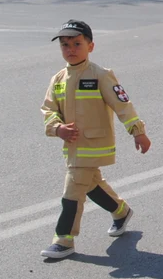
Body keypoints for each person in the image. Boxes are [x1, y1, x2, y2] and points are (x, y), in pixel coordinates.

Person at [39, 20, 149, 260]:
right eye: (65, 45)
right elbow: (48, 110)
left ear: (91, 46)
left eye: (77, 43)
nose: (70, 49)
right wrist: (57, 128)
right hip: (73, 146)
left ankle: (63, 239)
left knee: (73, 189)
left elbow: (122, 104)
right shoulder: (58, 79)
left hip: (94, 144)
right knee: (90, 184)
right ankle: (121, 211)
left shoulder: (100, 75)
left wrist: (137, 130)